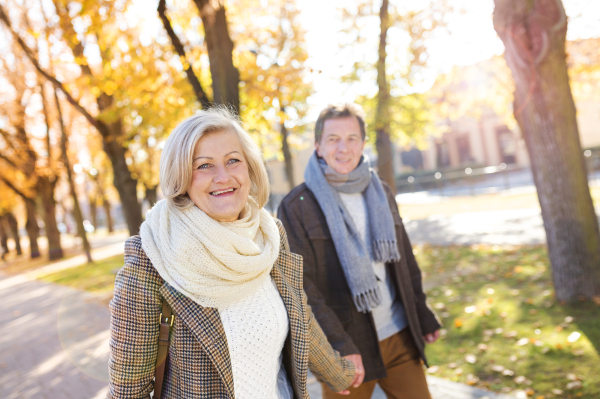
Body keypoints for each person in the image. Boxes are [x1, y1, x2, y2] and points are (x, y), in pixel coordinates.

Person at [108, 107, 356, 398]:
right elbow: (127, 389)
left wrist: (339, 373)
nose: (223, 177)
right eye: (204, 166)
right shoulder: (153, 255)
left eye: (233, 161)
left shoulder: (269, 236)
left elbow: (300, 316)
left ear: (249, 169)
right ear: (182, 178)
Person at [277, 103, 442, 399]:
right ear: (317, 146)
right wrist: (338, 344)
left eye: (352, 138)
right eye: (333, 139)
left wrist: (422, 312)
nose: (344, 148)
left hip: (398, 335)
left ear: (363, 143)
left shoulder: (381, 192)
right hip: (347, 350)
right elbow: (302, 287)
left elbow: (404, 259)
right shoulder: (296, 206)